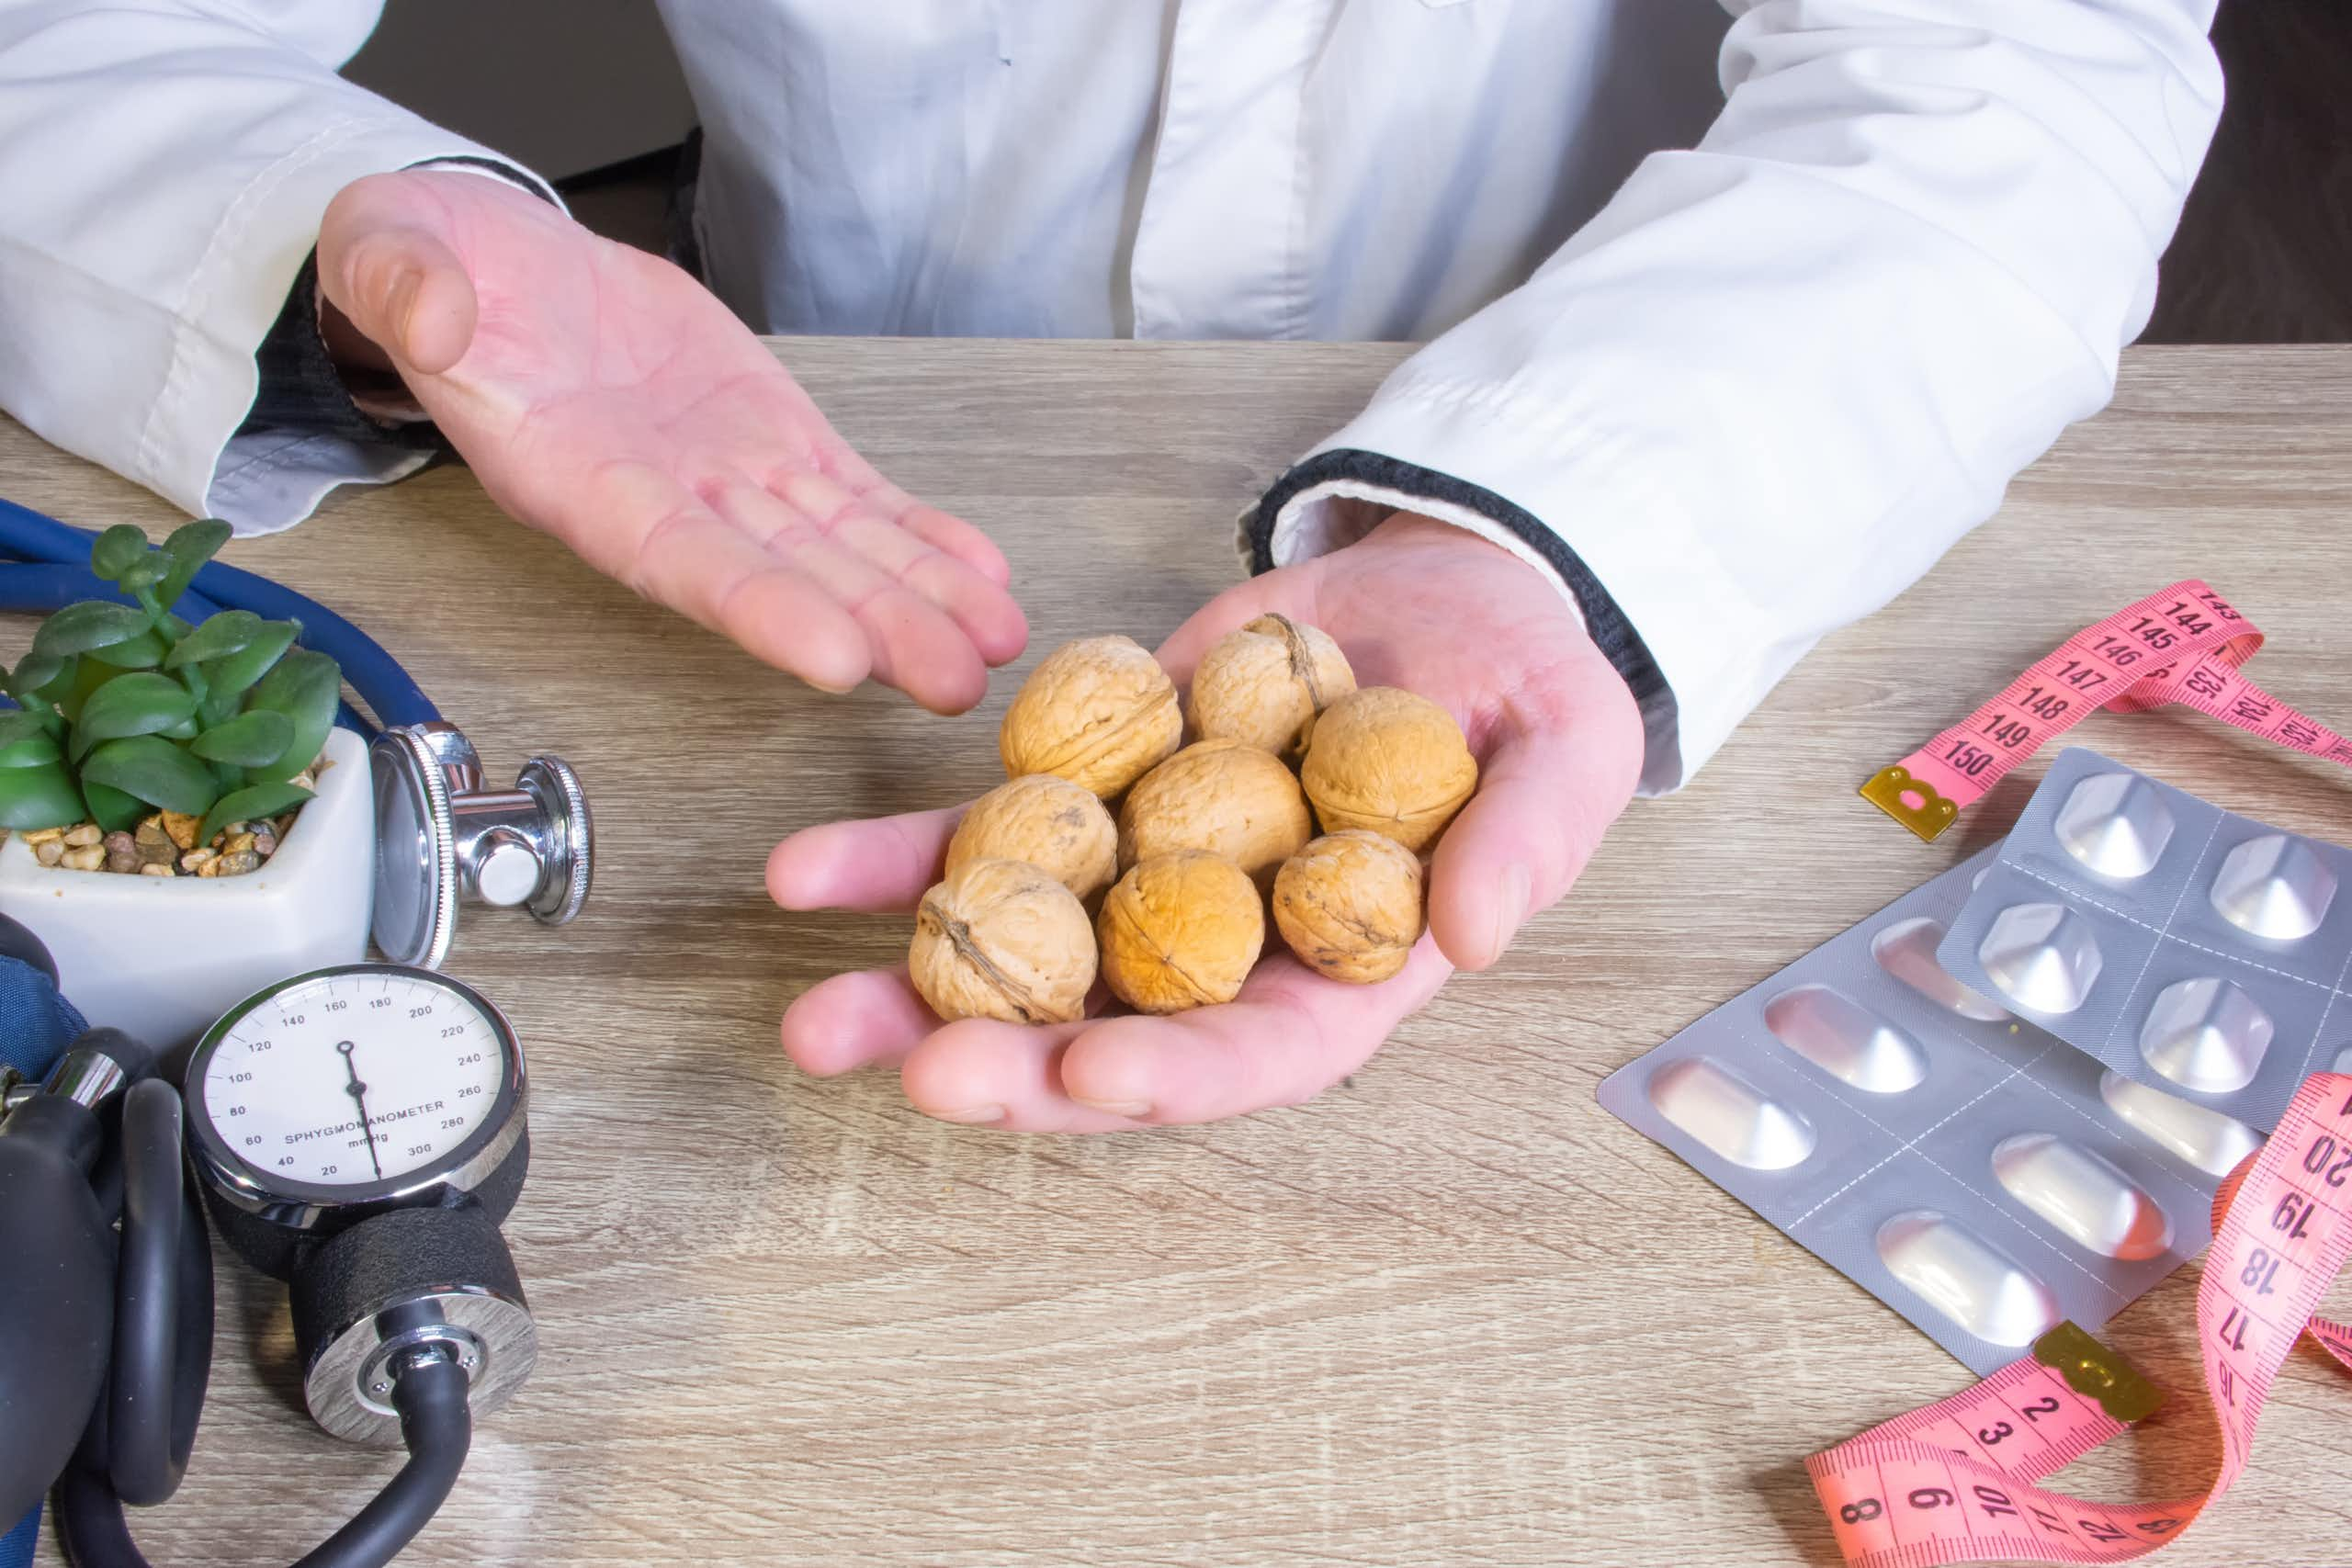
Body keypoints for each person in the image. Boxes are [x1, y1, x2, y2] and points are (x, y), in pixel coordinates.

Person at [0, 3, 2223, 1130]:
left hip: (1649, 428)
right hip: (805, 465)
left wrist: (1546, 528)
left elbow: (2012, 83)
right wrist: (328, 255)